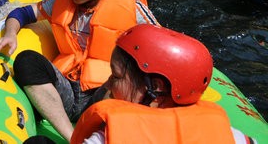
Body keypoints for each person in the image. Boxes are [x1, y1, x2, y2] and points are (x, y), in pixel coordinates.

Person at [0, 0, 158, 142]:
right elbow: (22, 13)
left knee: (127, 81)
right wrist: (10, 34)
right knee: (26, 61)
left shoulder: (132, 8)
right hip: (67, 88)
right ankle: (73, 137)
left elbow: (159, 47)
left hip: (105, 91)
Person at [71, 24, 254, 144]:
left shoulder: (107, 138)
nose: (108, 84)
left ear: (156, 87)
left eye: (116, 76)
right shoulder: (231, 136)